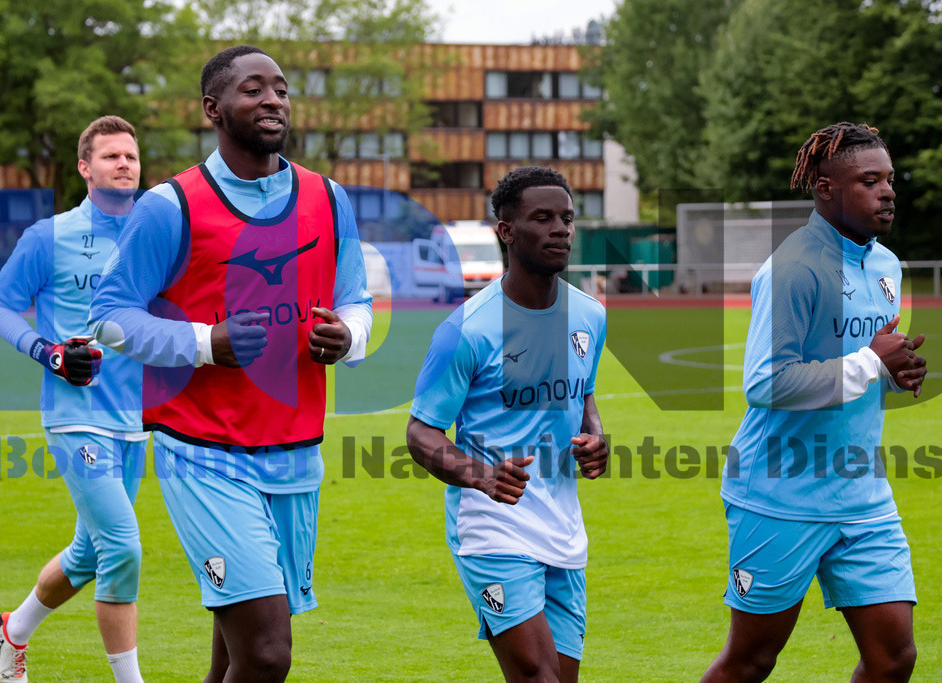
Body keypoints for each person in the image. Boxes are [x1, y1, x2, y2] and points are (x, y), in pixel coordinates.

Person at [88, 45, 372, 682]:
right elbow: (109, 315)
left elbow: (357, 299)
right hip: (204, 452)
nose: (272, 99)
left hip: (297, 451)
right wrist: (202, 343)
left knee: (237, 651)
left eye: (281, 88)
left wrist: (348, 336)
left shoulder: (328, 197)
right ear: (214, 108)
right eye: (253, 89)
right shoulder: (171, 206)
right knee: (268, 653)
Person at [702, 122, 928, 683]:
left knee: (894, 658)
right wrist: (873, 362)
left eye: (890, 180)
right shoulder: (792, 268)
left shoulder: (885, 267)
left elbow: (862, 360)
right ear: (825, 187)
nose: (887, 192)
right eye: (869, 181)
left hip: (862, 492)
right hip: (780, 492)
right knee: (752, 660)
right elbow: (767, 383)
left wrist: (897, 370)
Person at [406, 166, 608, 683]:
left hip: (563, 526)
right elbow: (421, 433)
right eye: (542, 218)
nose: (560, 229)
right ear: (507, 230)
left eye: (566, 217)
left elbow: (583, 396)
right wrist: (481, 476)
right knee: (538, 675)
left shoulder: (589, 315)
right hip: (491, 527)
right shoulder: (466, 331)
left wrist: (595, 435)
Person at [0, 115, 146, 683]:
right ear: (85, 168)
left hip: (137, 420)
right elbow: (0, 305)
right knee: (123, 548)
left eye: (131, 155)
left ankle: (13, 631)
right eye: (111, 156)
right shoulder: (48, 236)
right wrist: (46, 351)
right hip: (76, 417)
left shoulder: (156, 233)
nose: (124, 163)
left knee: (89, 553)